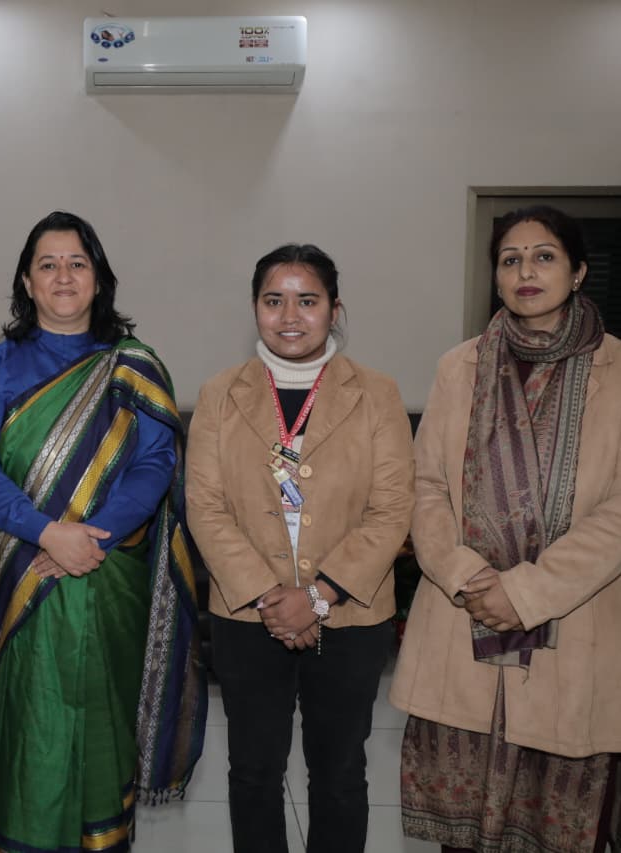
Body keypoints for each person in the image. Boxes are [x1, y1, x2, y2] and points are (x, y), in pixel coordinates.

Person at [390, 205, 621, 853]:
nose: (526, 272)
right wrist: (467, 577)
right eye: (510, 260)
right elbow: (426, 485)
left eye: (544, 256)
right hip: (462, 621)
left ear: (578, 271)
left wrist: (525, 592)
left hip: (575, 625)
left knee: (559, 829)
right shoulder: (459, 367)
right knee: (461, 834)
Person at [0, 211, 206, 852]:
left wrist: (91, 537)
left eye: (77, 263)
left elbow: (155, 464)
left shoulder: (135, 366)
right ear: (27, 281)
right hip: (23, 570)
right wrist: (47, 534)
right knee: (29, 722)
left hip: (107, 571)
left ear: (99, 279)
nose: (63, 276)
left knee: (100, 719)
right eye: (48, 264)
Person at [184, 243, 414, 853]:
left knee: (339, 774)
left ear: (335, 310)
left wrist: (315, 597)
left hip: (350, 613)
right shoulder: (219, 395)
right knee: (253, 773)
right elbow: (205, 507)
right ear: (254, 308)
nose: (290, 316)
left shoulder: (378, 394)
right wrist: (271, 596)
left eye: (307, 300)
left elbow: (392, 510)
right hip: (247, 614)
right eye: (274, 300)